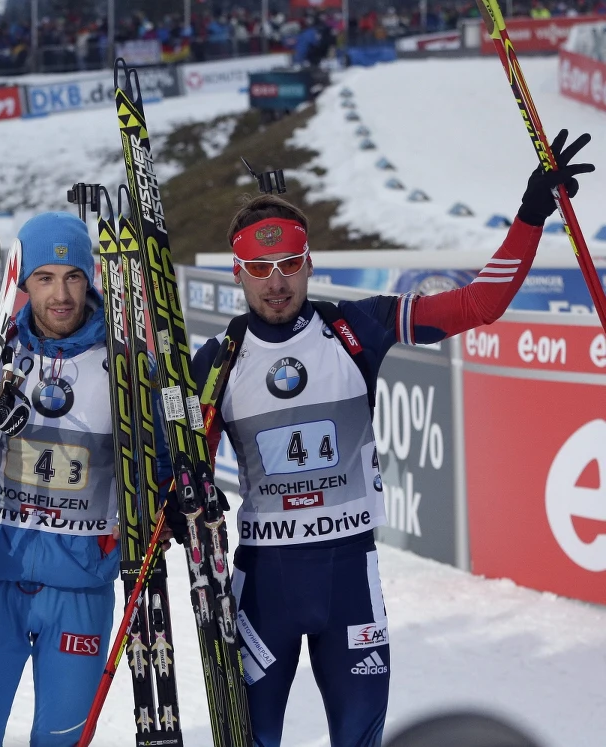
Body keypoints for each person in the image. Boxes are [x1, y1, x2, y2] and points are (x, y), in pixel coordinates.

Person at [186, 130, 594, 747]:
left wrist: (532, 214)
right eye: (260, 269)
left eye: (289, 264)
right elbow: (185, 477)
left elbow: (478, 305)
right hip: (263, 585)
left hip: (350, 579)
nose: (276, 283)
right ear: (239, 273)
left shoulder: (356, 327)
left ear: (309, 263)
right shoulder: (219, 360)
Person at [0, 212, 169, 747]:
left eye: (73, 277)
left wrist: (174, 494)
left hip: (80, 587)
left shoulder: (124, 366)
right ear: (24, 284)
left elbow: (157, 461)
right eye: (44, 278)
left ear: (90, 279)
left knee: (62, 738)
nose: (61, 294)